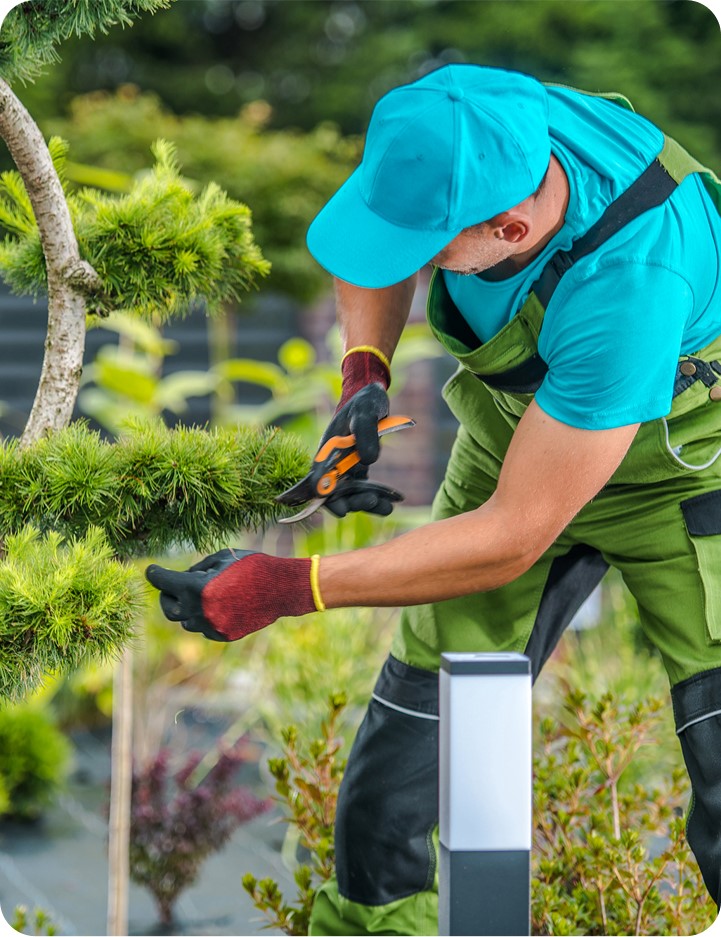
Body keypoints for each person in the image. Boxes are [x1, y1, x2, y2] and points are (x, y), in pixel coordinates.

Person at [146, 64, 721, 935]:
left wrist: (283, 586)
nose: (409, 261)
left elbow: (512, 535)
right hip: (513, 443)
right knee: (403, 764)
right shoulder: (464, 126)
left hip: (683, 477)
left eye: (427, 248)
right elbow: (376, 240)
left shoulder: (632, 277)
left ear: (510, 227)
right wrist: (361, 373)